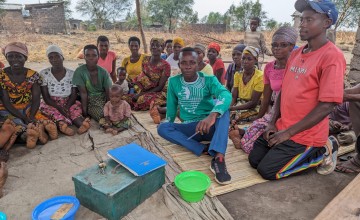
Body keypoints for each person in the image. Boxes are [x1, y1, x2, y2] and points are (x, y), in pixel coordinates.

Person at [248, 0, 345, 180]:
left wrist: (288, 133)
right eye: (302, 19)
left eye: (309, 20)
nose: (302, 24)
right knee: (254, 160)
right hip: (283, 126)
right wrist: (272, 122)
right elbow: (284, 91)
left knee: (267, 171)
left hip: (306, 135)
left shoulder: (332, 57)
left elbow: (327, 106)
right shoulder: (296, 53)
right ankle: (291, 144)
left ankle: (322, 151)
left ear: (326, 23)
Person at [157, 47, 232, 185]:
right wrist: (168, 124)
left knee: (224, 111)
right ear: (179, 65)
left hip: (210, 126)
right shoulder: (174, 82)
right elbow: (171, 110)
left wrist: (212, 116)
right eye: (184, 63)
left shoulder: (209, 80)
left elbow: (226, 94)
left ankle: (219, 158)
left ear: (198, 64)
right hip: (192, 128)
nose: (188, 66)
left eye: (192, 62)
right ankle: (202, 148)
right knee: (162, 128)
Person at [229, 26, 298, 153]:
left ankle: (242, 135)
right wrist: (259, 119)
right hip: (274, 111)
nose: (277, 48)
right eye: (274, 45)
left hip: (292, 112)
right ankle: (243, 133)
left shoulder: (297, 67)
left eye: (283, 45)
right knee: (257, 126)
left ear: (292, 46)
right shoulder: (270, 67)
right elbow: (266, 99)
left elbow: (256, 102)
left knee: (262, 140)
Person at [0, 42, 58, 149]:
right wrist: (23, 118)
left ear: (25, 58)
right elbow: (6, 102)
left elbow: (36, 99)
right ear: (6, 57)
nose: (14, 60)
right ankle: (31, 134)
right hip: (7, 109)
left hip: (28, 107)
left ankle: (36, 132)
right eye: (10, 56)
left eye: (19, 56)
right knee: (16, 123)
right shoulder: (2, 76)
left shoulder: (33, 75)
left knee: (40, 119)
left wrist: (31, 116)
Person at [39, 45, 91, 136]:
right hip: (51, 102)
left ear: (62, 57)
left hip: (69, 101)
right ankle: (62, 125)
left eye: (57, 56)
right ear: (49, 60)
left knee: (74, 111)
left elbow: (74, 94)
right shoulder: (44, 73)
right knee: (53, 112)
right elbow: (46, 97)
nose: (54, 59)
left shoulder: (72, 73)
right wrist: (59, 107)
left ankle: (82, 124)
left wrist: (66, 107)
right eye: (51, 57)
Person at [123, 38, 170, 111]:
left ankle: (162, 104)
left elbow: (160, 87)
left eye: (157, 45)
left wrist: (141, 95)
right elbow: (143, 78)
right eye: (152, 45)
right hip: (144, 90)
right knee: (124, 98)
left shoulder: (165, 65)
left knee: (142, 99)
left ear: (162, 48)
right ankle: (154, 104)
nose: (154, 47)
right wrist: (136, 88)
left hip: (158, 92)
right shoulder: (145, 60)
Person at [72, 44, 112, 122]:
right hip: (90, 100)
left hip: (103, 98)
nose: (91, 58)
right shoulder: (80, 72)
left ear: (98, 57)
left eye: (94, 55)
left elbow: (108, 92)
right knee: (102, 115)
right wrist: (85, 112)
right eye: (87, 55)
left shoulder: (103, 72)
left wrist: (109, 107)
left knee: (119, 109)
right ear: (84, 57)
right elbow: (83, 94)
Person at [230, 46, 263, 122]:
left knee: (234, 119)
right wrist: (230, 107)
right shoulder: (238, 75)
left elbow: (253, 103)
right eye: (243, 58)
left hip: (254, 107)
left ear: (255, 60)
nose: (245, 61)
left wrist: (232, 109)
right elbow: (234, 97)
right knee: (225, 116)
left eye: (249, 59)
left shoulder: (260, 76)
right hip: (239, 105)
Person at [335, 84, 360, 173]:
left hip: (348, 129)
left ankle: (358, 161)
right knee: (355, 101)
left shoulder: (345, 105)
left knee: (355, 100)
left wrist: (348, 96)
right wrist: (342, 94)